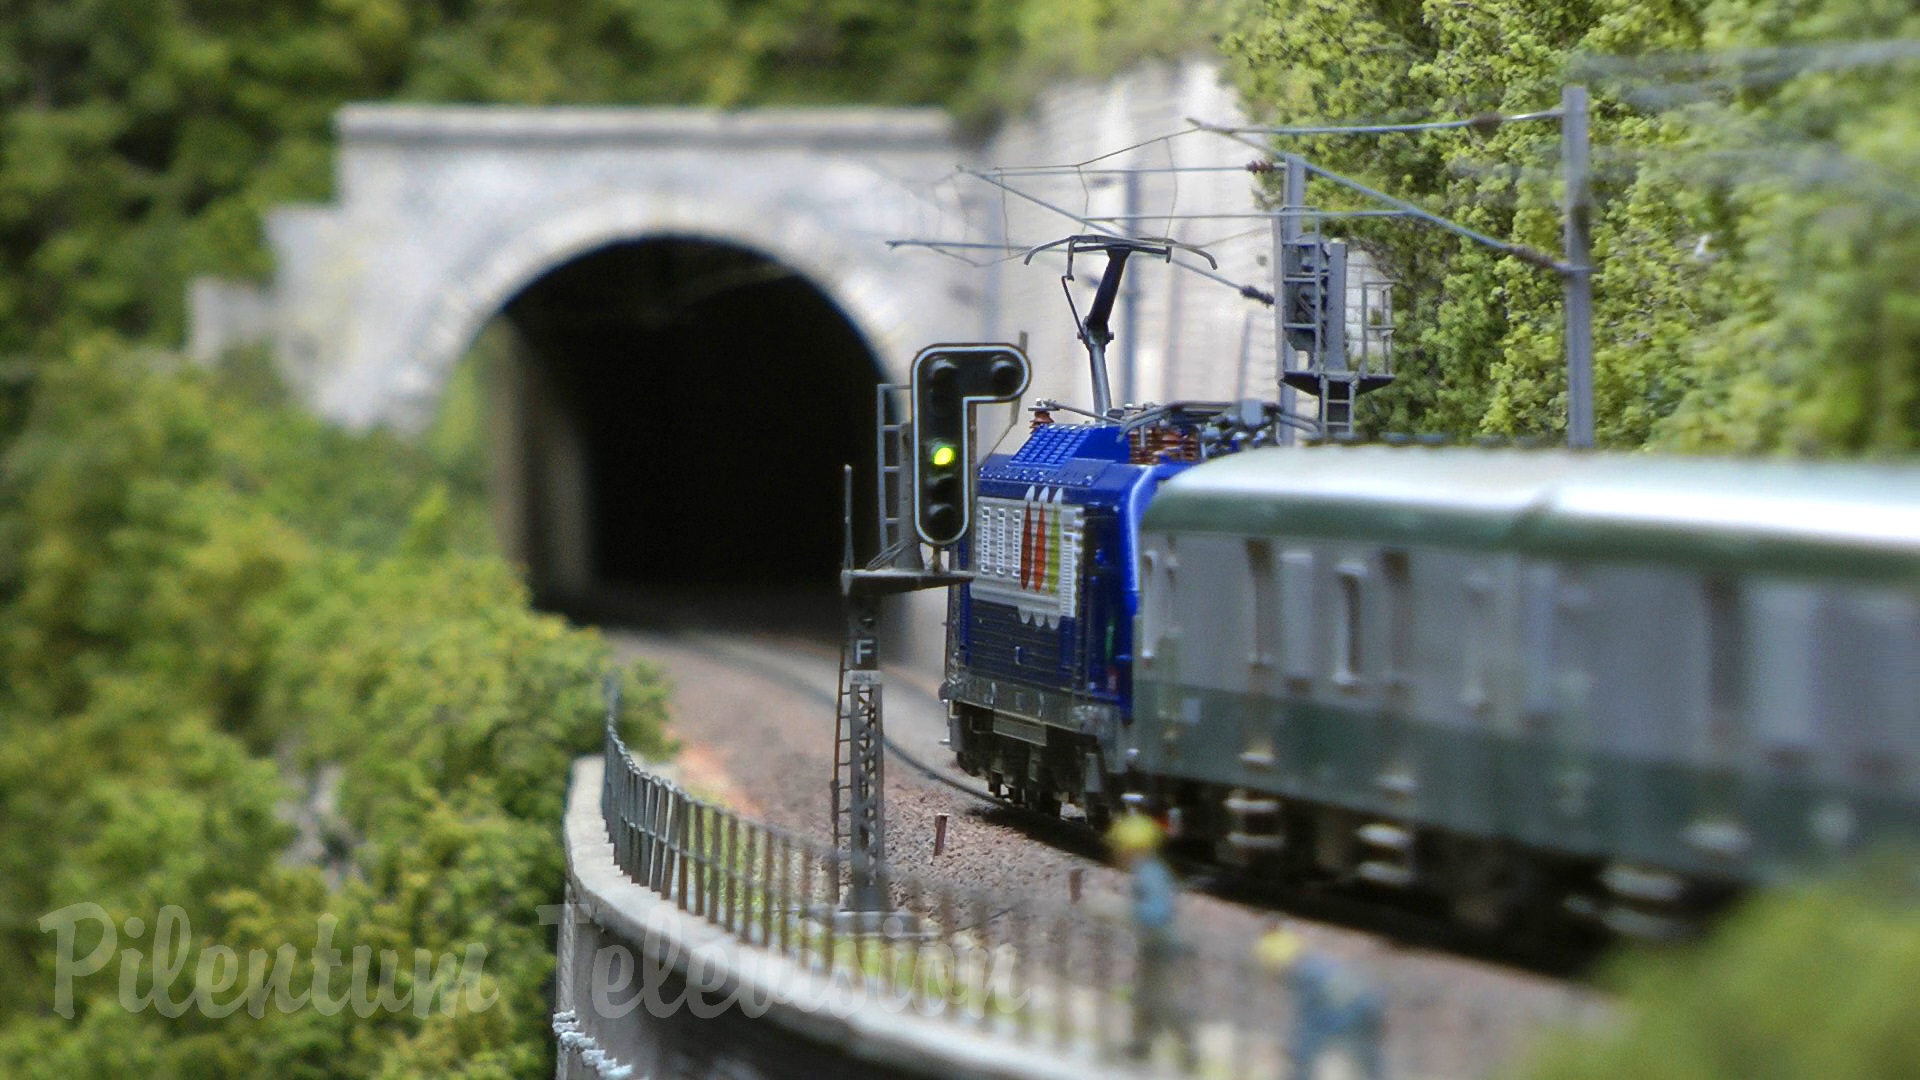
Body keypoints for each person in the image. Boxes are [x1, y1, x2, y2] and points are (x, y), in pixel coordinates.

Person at [1109, 813, 1191, 1068]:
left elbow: (1158, 912)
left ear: (1132, 848)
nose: (1117, 853)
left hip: (1161, 943)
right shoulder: (1147, 871)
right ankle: (1141, 1045)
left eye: (1120, 847)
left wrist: (1118, 911)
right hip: (1154, 943)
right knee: (1147, 994)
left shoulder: (1149, 874)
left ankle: (1188, 1051)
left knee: (1164, 999)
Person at [1258, 924, 1387, 1080]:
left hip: (1356, 1015)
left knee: (1305, 1056)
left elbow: (1312, 1020)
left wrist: (1297, 1049)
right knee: (1370, 1063)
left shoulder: (1305, 975)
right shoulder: (1313, 967)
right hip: (1366, 1011)